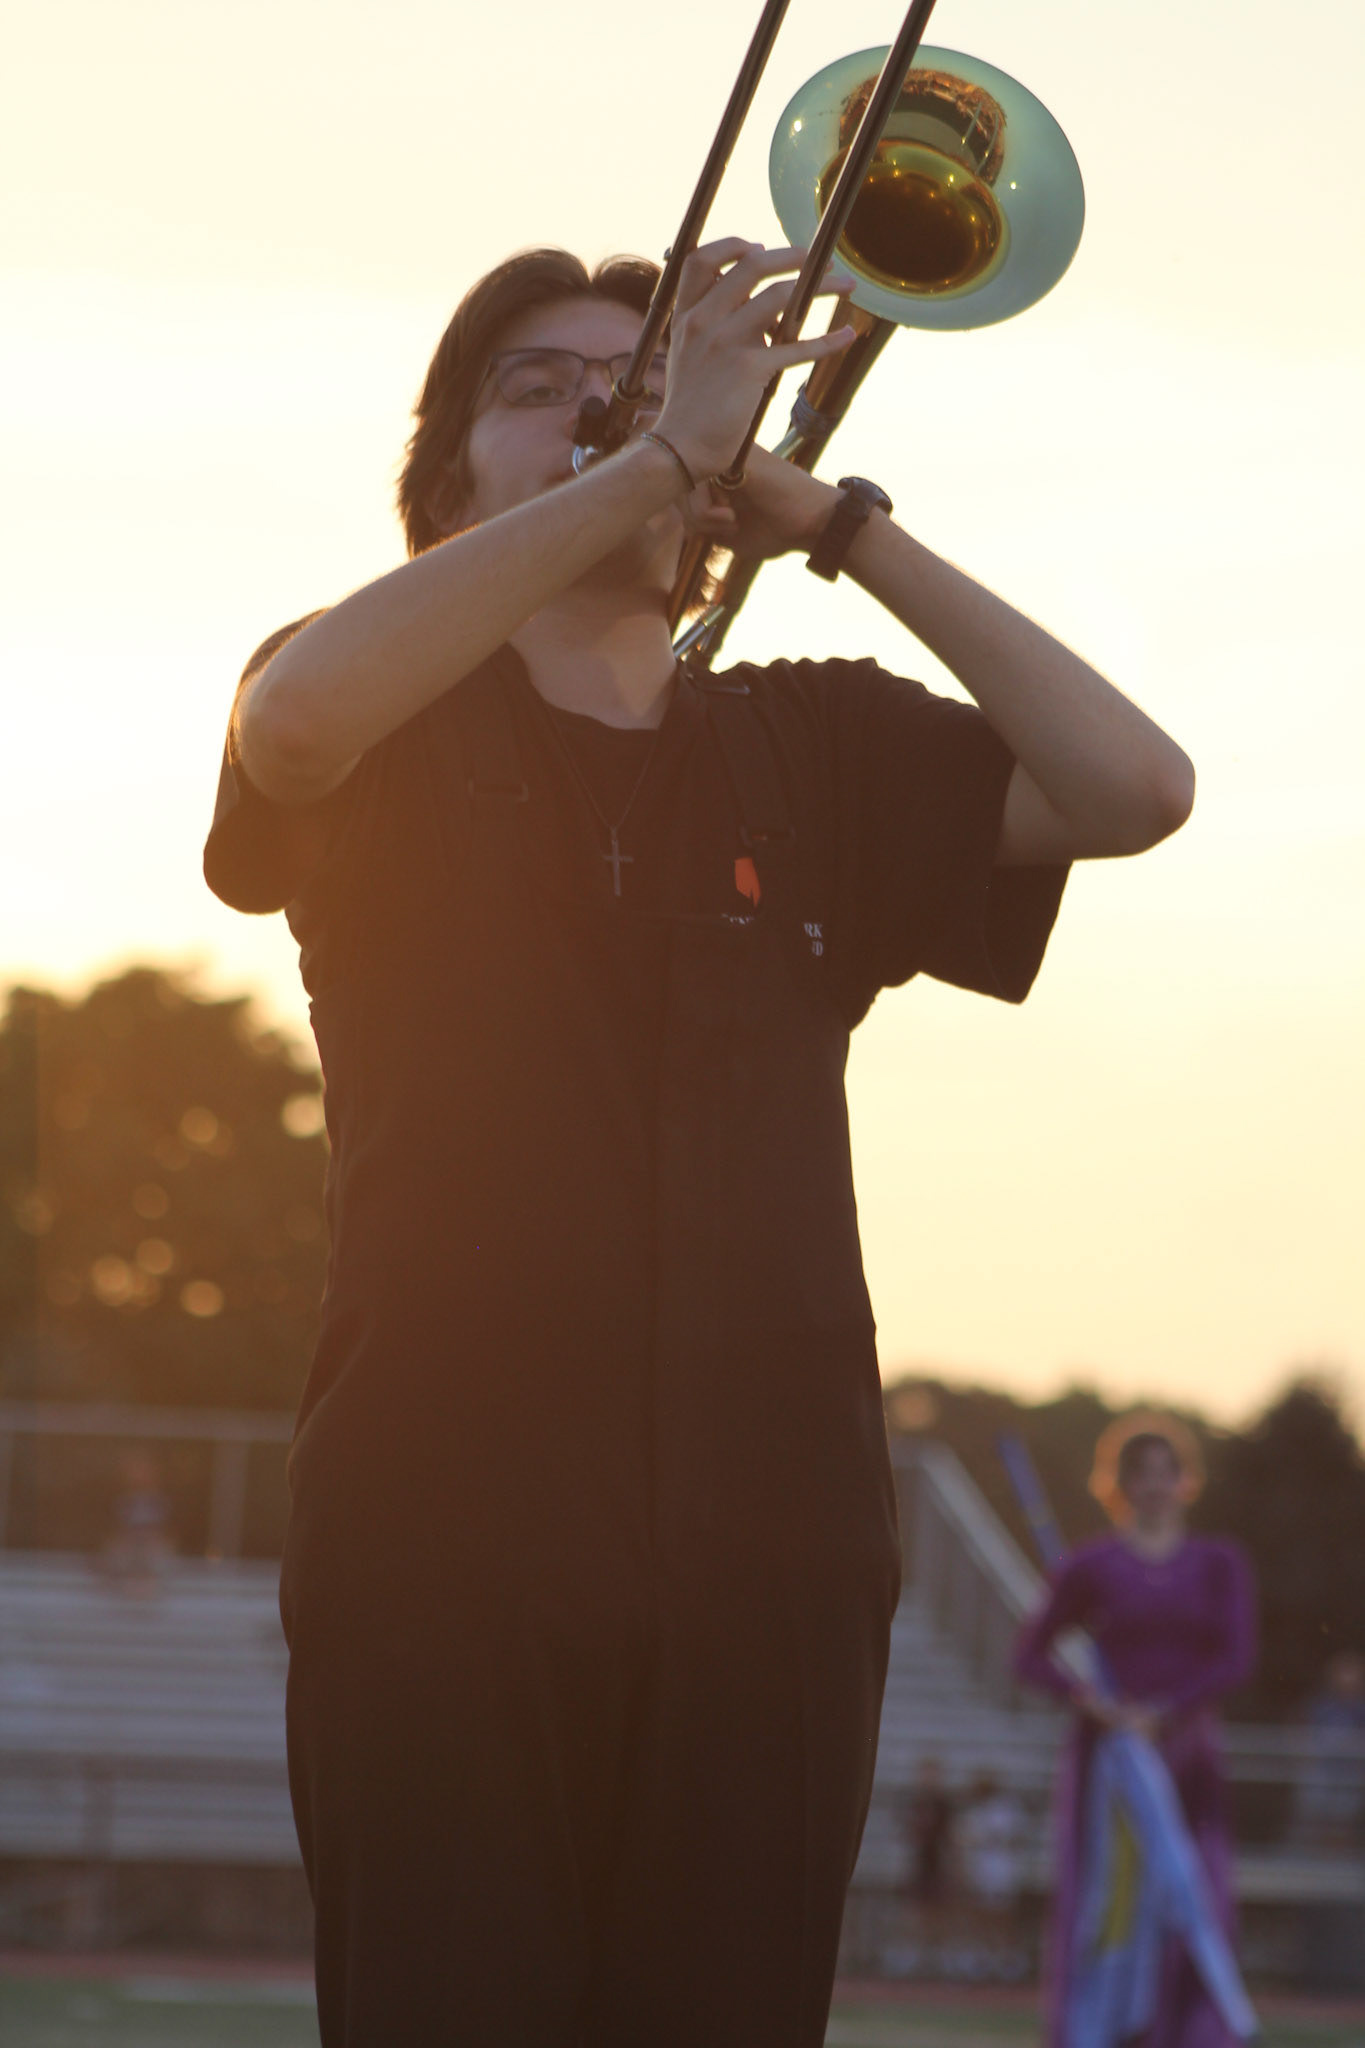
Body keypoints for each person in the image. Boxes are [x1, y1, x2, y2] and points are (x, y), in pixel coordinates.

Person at [203, 238, 1195, 2048]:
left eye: (643, 378)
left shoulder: (813, 735)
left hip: (778, 1552)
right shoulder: (378, 697)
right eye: (545, 389)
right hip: (441, 1534)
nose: (601, 405)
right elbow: (293, 725)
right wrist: (658, 453)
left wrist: (829, 519)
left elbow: (1136, 788)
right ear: (448, 489)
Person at [1014, 1417, 1256, 2048]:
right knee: (1111, 1898)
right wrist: (1089, 1701)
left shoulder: (1219, 1562)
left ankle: (1187, 2032)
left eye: (1165, 1473)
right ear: (1117, 1485)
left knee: (1187, 1890)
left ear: (1186, 1481)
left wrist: (1167, 1711)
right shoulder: (1090, 1565)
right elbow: (1030, 1655)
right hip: (1111, 1759)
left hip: (1185, 1755)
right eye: (1139, 1475)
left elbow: (1235, 1658)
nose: (1154, 1486)